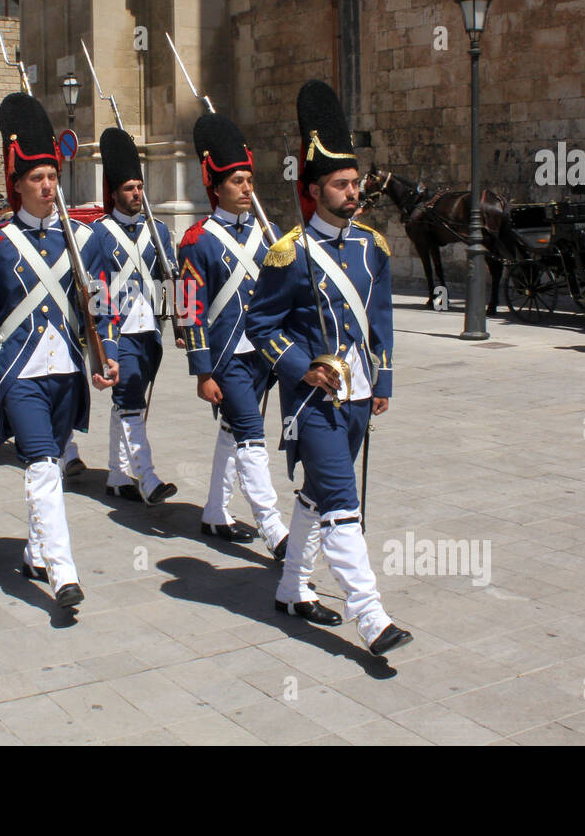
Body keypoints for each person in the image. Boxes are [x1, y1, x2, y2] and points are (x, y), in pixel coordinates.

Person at [246, 79, 411, 657]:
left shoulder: (371, 247)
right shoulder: (289, 253)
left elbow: (381, 320)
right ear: (314, 191)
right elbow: (259, 327)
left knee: (317, 493)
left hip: (361, 393)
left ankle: (292, 588)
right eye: (341, 185)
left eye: (355, 182)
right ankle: (370, 616)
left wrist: (383, 380)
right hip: (314, 401)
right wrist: (299, 368)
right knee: (342, 501)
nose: (353, 192)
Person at [0, 92, 118, 610]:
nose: (48, 186)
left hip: (68, 371)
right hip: (20, 372)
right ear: (18, 184)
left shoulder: (84, 238)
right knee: (42, 466)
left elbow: (99, 301)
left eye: (52, 176)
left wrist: (106, 353)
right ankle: (63, 571)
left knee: (47, 463)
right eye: (37, 178)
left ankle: (34, 551)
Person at [176, 112, 289, 561]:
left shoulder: (270, 234)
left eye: (249, 180)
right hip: (226, 355)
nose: (247, 188)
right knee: (250, 434)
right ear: (217, 187)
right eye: (238, 181)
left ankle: (215, 512)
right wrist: (202, 371)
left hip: (263, 352)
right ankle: (274, 526)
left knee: (230, 430)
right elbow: (189, 308)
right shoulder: (196, 240)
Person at [91, 127, 179, 506]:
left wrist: (182, 325)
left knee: (130, 402)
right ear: (113, 193)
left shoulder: (158, 230)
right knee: (129, 401)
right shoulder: (98, 235)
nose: (136, 194)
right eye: (128, 188)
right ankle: (147, 476)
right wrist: (103, 340)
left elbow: (172, 279)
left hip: (149, 333)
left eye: (139, 187)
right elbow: (95, 290)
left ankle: (115, 475)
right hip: (118, 333)